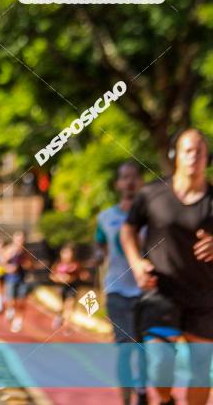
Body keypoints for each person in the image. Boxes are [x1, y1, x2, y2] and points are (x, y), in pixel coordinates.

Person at [122, 129, 213, 405]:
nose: (194, 157)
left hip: (205, 297)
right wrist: (136, 263)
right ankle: (165, 400)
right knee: (160, 364)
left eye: (200, 151)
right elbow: (128, 228)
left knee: (200, 373)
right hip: (161, 294)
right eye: (188, 150)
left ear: (207, 158)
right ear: (175, 156)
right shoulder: (151, 193)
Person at [95, 160, 147, 405]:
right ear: (118, 184)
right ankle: (127, 400)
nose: (130, 182)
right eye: (125, 177)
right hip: (117, 291)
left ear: (141, 182)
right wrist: (96, 256)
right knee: (126, 348)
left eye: (134, 177)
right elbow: (100, 246)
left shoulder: (152, 216)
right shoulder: (106, 217)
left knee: (145, 347)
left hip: (146, 291)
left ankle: (143, 392)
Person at [49, 243, 89, 333]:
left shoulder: (76, 264)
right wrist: (59, 278)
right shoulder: (58, 264)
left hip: (72, 288)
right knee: (61, 306)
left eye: (69, 253)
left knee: (69, 306)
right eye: (65, 253)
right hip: (61, 288)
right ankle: (59, 316)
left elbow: (83, 274)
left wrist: (83, 276)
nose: (67, 256)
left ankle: (67, 326)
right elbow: (52, 276)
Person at [3, 230, 33, 333]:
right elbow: (2, 263)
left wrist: (27, 264)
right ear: (14, 239)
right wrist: (8, 268)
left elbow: (31, 265)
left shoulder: (26, 252)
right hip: (11, 279)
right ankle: (10, 310)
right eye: (18, 239)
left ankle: (18, 322)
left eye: (21, 239)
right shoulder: (9, 250)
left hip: (23, 279)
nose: (20, 241)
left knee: (22, 302)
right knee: (11, 301)